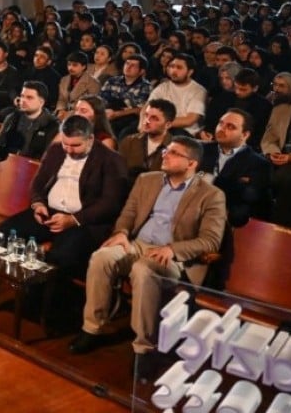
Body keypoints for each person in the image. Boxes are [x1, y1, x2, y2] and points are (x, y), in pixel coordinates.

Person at [68, 136, 226, 355]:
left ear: (192, 163)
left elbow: (211, 240)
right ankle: (92, 328)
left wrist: (172, 249)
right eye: (165, 151)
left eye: (173, 153)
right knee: (102, 257)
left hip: (175, 257)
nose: (165, 155)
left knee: (142, 269)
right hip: (137, 244)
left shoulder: (211, 195)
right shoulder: (147, 179)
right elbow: (129, 213)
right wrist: (122, 232)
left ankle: (143, 346)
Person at [0, 115, 127, 277]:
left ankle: (43, 297)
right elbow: (37, 183)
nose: (69, 150)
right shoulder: (56, 150)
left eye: (75, 145)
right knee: (5, 233)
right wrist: (38, 204)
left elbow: (110, 204)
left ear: (91, 139)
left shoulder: (111, 160)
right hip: (49, 214)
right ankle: (11, 284)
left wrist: (73, 219)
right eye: (66, 144)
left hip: (84, 222)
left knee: (61, 256)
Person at [0, 81, 59, 160]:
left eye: (29, 97)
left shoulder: (53, 125)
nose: (23, 100)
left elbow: (48, 157)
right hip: (7, 163)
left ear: (41, 102)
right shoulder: (13, 117)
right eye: (22, 96)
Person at [148, 53, 208, 136]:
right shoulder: (163, 86)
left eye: (179, 68)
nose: (174, 71)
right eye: (172, 66)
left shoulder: (198, 91)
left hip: (184, 131)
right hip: (160, 125)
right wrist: (144, 122)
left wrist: (159, 123)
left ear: (190, 72)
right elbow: (147, 107)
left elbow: (189, 120)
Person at [118, 100, 176, 180]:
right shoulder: (129, 142)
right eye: (146, 115)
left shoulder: (176, 149)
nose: (147, 121)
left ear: (168, 125)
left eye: (154, 118)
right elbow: (118, 174)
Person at [55, 51, 101, 118]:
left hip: (81, 116)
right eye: (69, 64)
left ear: (84, 66)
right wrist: (61, 110)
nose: (70, 68)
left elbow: (89, 106)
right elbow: (61, 99)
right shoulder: (64, 79)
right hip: (62, 115)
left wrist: (68, 114)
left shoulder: (93, 83)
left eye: (74, 65)